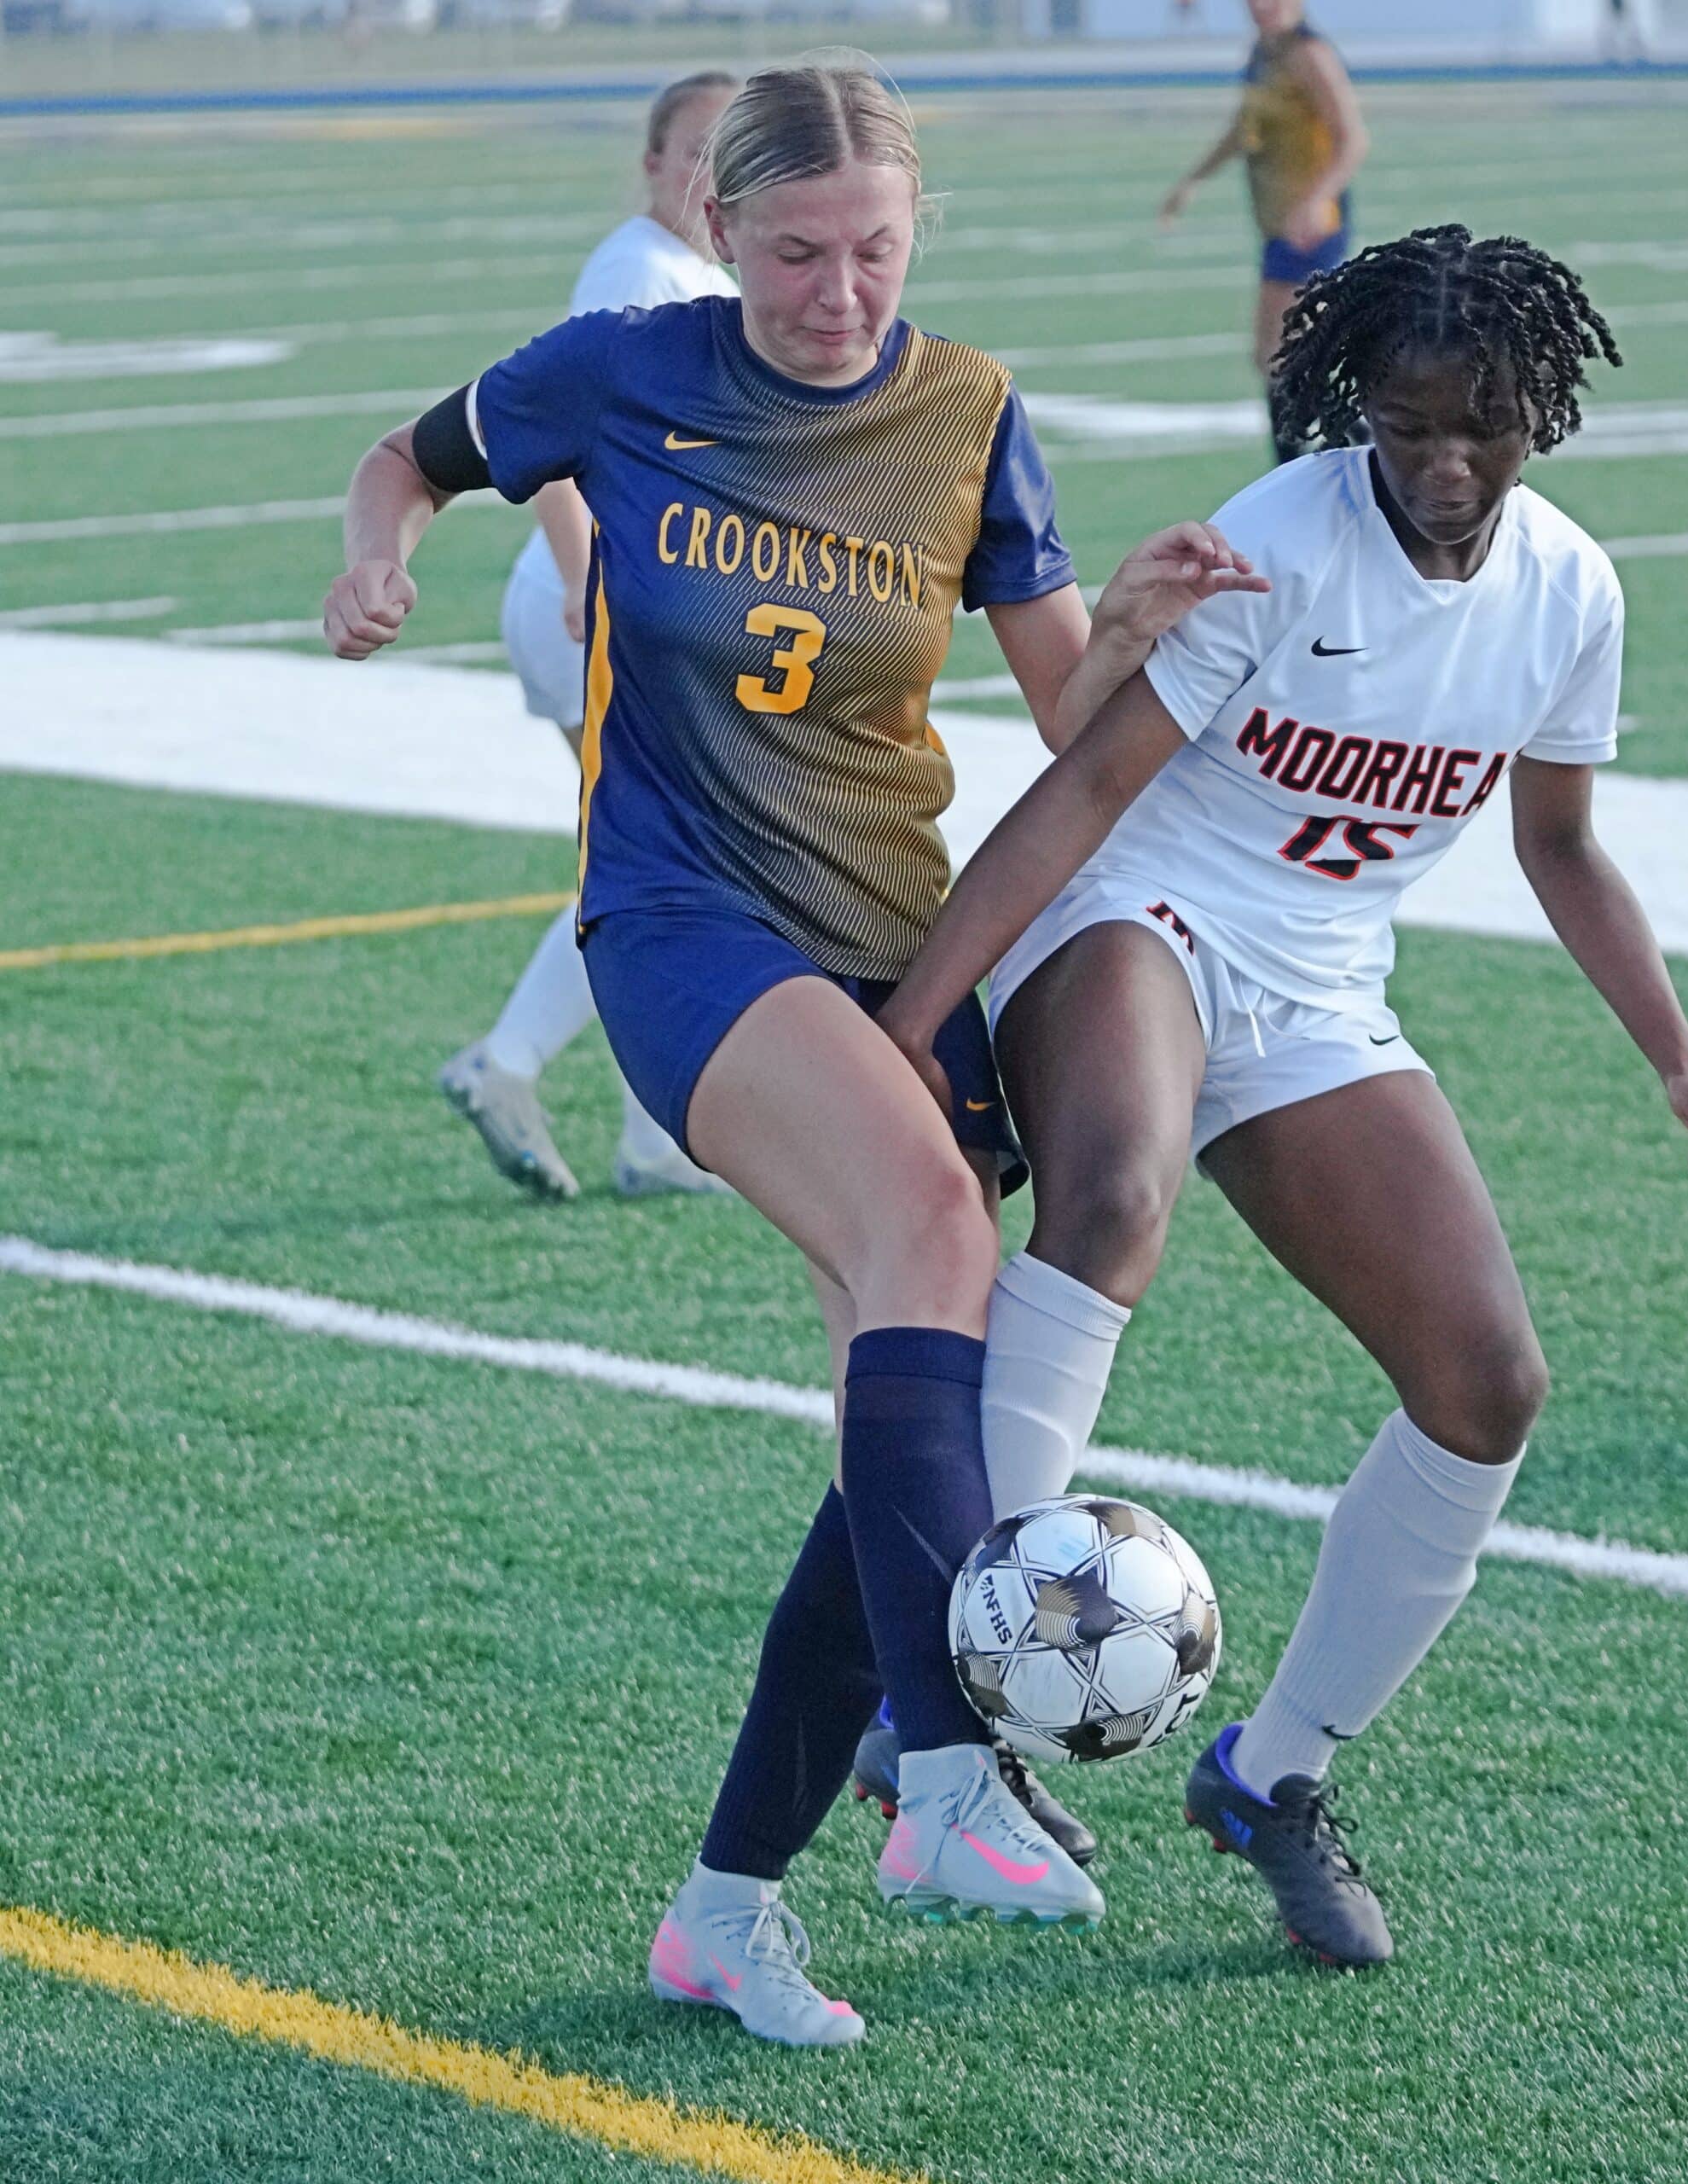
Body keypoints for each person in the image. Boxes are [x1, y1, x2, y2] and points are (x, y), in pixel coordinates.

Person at [322, 60, 1262, 2048]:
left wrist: (1135, 619)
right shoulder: (619, 367)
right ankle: (946, 1772)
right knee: (933, 1227)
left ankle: (724, 1906)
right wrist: (374, 553)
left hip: (884, 939)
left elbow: (1063, 703)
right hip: (675, 921)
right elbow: (404, 455)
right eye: (796, 254)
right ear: (721, 230)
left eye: (875, 252)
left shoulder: (968, 411)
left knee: (895, 1428)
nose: (838, 293)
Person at [874, 225, 1688, 1971]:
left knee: (1486, 1379)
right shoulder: (1276, 543)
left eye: (1480, 427)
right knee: (1114, 1196)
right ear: (1354, 406)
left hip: (1316, 985)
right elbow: (1083, 794)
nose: (1441, 464)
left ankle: (1272, 1776)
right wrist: (919, 1015)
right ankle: (950, 1703)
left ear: (1539, 413)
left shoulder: (1568, 593)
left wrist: (1676, 1055)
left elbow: (1559, 844)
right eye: (1405, 425)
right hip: (1135, 910)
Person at [439, 70, 740, 1205]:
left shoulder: (698, 273)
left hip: (618, 604)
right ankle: (511, 1064)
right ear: (653, 164)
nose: (712, 173)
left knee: (661, 860)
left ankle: (648, 1135)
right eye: (696, 149)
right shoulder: (640, 272)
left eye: (734, 152)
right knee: (662, 861)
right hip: (591, 607)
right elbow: (553, 432)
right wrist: (587, 581)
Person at [1158, 0, 1368, 465]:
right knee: (1283, 355)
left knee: (1278, 353)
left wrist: (1315, 200)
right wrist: (1194, 180)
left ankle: (1304, 462)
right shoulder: (1265, 51)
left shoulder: (1310, 54)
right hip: (1278, 224)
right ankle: (1359, 441)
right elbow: (1244, 128)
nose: (1259, 7)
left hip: (1311, 227)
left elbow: (1352, 139)